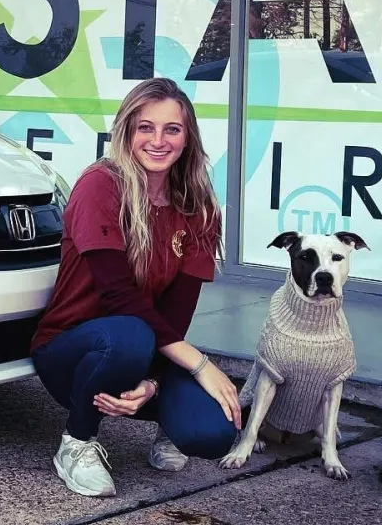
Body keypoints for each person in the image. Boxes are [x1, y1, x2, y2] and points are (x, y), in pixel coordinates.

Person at [29, 77, 242, 497]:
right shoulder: (100, 185)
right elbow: (118, 297)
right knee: (128, 333)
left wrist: (154, 384)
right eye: (146, 127)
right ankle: (77, 442)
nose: (158, 140)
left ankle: (162, 416)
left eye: (172, 129)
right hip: (71, 349)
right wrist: (201, 365)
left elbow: (176, 317)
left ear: (188, 139)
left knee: (213, 432)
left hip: (146, 349)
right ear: (127, 131)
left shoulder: (199, 209)